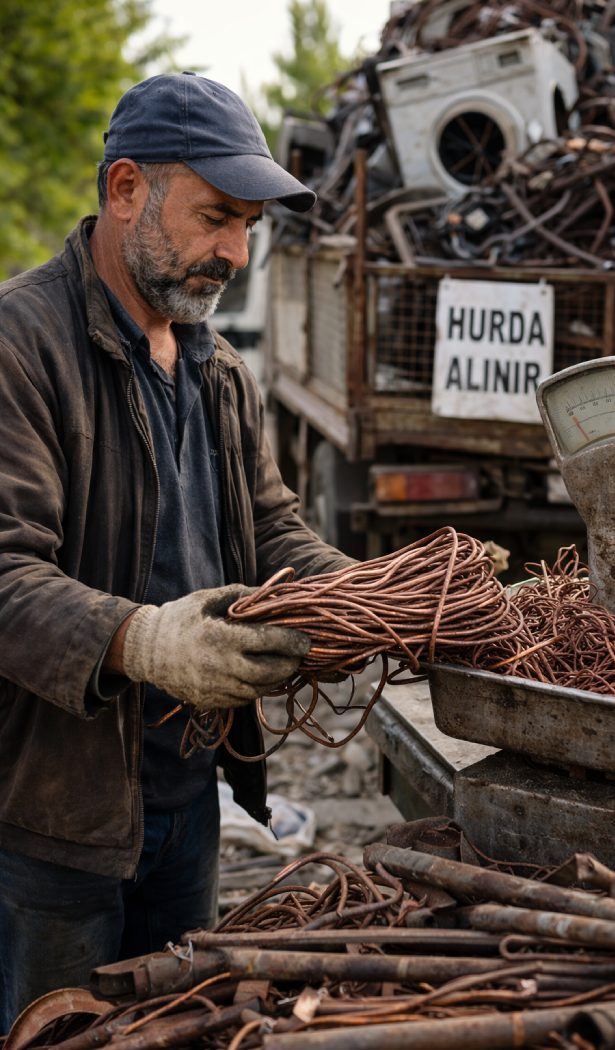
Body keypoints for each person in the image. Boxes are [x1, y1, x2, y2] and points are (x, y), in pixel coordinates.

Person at [0, 71, 355, 1031]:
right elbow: (5, 572)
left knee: (172, 1026)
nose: (235, 251)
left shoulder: (216, 368)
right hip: (55, 818)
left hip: (189, 800)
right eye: (215, 217)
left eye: (248, 225)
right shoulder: (19, 346)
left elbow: (271, 523)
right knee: (59, 1030)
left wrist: (366, 598)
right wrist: (147, 642)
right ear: (125, 191)